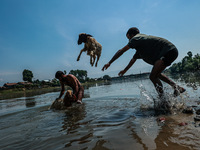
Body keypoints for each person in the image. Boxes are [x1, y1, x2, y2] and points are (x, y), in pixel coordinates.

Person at [102, 27, 185, 97]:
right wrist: (125, 70)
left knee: (152, 77)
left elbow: (122, 51)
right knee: (157, 74)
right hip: (171, 51)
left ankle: (163, 100)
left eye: (128, 38)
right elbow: (132, 60)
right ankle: (177, 88)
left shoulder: (136, 38)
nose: (129, 41)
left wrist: (110, 62)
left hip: (168, 51)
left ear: (131, 35)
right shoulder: (141, 46)